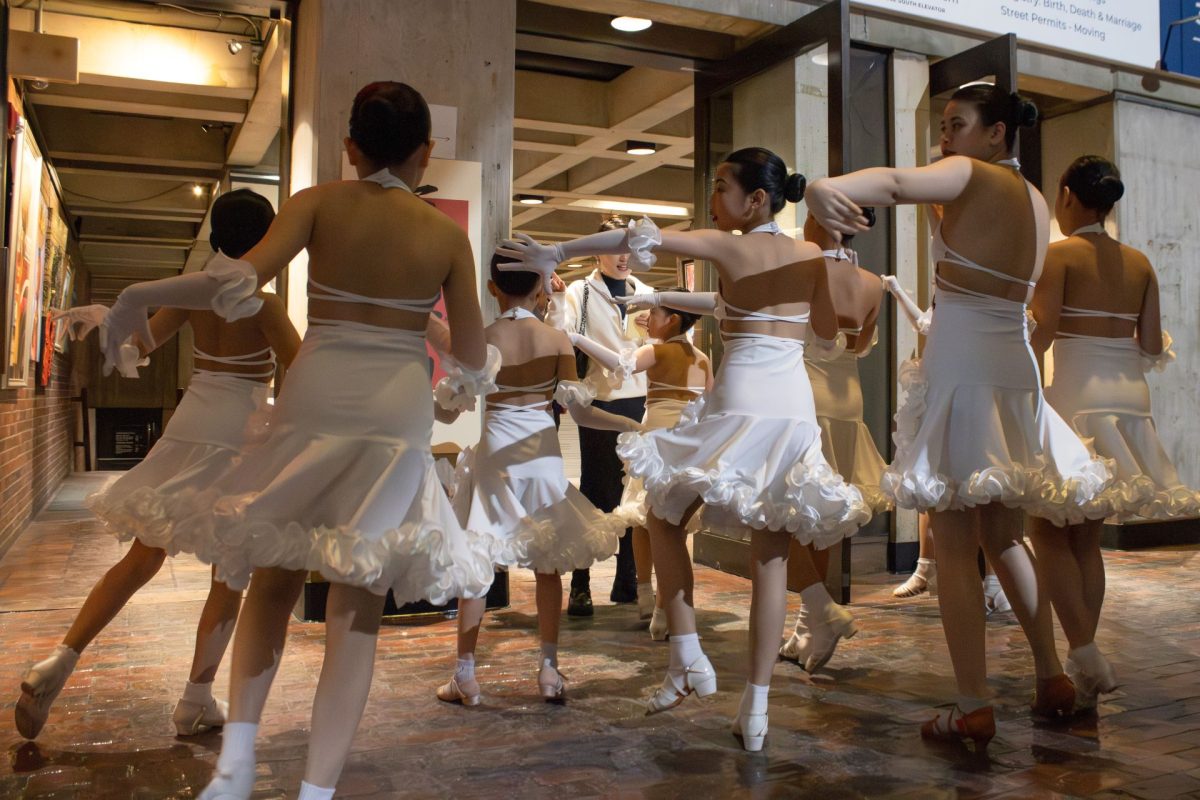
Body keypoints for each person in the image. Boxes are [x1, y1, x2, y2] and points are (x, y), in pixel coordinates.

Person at [96, 82, 499, 800]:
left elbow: (237, 281)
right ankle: (316, 791)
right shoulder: (442, 234)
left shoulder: (316, 201)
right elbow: (470, 352)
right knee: (357, 604)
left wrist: (138, 296)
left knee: (276, 573)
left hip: (316, 390)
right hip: (392, 412)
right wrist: (435, 343)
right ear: (424, 151)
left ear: (351, 147)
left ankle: (236, 763)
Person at [501, 146, 870, 753]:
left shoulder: (731, 245)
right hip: (791, 407)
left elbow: (649, 237)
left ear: (756, 199)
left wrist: (558, 252)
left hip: (740, 400)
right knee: (770, 554)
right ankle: (755, 708)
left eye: (721, 186)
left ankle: (688, 655)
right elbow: (828, 339)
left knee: (662, 513)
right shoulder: (808, 257)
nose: (712, 198)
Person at [806, 85, 1111, 747]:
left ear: (997, 133)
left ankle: (973, 702)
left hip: (966, 359)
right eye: (943, 126)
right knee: (1003, 534)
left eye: (957, 125)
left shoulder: (972, 173)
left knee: (951, 540)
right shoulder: (1032, 198)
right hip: (1010, 365)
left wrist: (823, 186)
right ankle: (1052, 673)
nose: (946, 138)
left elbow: (889, 181)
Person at [15, 190, 299, 742]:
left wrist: (110, 321)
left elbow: (139, 349)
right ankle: (195, 699)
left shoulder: (195, 297)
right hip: (241, 434)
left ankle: (61, 659)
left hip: (189, 425)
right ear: (267, 243)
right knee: (230, 571)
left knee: (142, 556)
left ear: (217, 237)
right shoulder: (265, 307)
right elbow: (302, 369)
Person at [1028, 155, 1198, 708]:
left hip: (1078, 399)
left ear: (1068, 196)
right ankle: (1086, 658)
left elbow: (1043, 335)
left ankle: (1083, 650)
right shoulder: (1141, 261)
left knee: (1048, 529)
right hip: (1130, 402)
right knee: (1088, 537)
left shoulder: (1060, 255)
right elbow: (1151, 346)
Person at [433, 255, 638, 705]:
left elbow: (450, 410)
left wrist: (439, 400)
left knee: (478, 564)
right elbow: (580, 411)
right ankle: (548, 669)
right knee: (548, 564)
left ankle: (465, 674)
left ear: (493, 288)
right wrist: (628, 425)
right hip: (543, 457)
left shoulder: (484, 339)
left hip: (495, 460)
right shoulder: (557, 339)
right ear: (540, 287)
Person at [569, 288, 713, 638]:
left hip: (656, 444)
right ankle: (661, 604)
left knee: (643, 519)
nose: (648, 319)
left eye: (656, 314)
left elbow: (621, 364)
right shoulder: (703, 358)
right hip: (688, 447)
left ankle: (651, 597)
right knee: (670, 528)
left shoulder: (658, 350)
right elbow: (711, 405)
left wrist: (576, 338)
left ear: (674, 319)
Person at [777, 211, 885, 672]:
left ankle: (820, 606)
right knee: (825, 514)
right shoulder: (871, 281)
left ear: (819, 223)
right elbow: (858, 346)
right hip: (849, 400)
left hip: (805, 394)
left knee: (783, 515)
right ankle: (807, 628)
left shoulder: (802, 268)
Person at [545, 218, 654, 616]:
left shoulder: (646, 293)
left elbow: (675, 343)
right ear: (598, 251)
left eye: (628, 247)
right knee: (596, 492)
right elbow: (560, 333)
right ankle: (580, 584)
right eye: (615, 247)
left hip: (642, 404)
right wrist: (556, 301)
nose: (624, 256)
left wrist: (654, 329)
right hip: (599, 404)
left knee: (635, 496)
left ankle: (629, 581)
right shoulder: (580, 291)